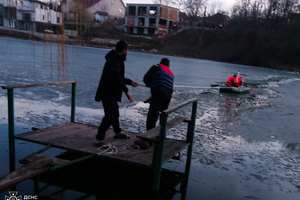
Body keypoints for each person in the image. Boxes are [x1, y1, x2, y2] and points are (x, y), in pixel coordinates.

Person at [94, 40, 138, 147]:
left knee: (115, 114)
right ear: (124, 50)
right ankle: (98, 139)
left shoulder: (115, 59)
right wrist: (127, 92)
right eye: (127, 50)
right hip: (107, 93)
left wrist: (130, 82)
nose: (127, 52)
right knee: (109, 116)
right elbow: (116, 77)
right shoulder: (114, 60)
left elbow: (119, 77)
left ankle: (117, 133)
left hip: (111, 93)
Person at [143, 58, 174, 131]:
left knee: (153, 115)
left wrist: (150, 85)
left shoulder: (156, 67)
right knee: (163, 115)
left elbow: (146, 78)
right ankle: (162, 136)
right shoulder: (171, 73)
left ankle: (149, 137)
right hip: (168, 95)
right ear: (168, 65)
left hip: (159, 92)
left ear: (160, 62)